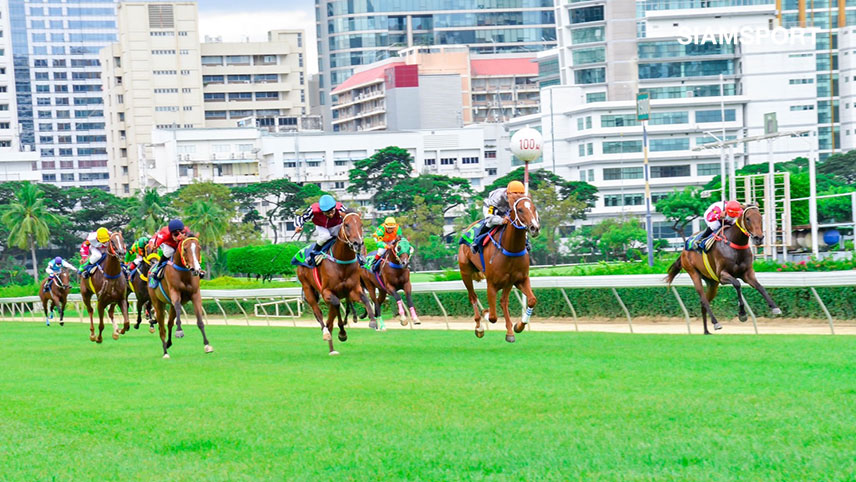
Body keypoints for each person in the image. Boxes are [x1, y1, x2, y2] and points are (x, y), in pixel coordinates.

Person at [472, 180, 526, 254]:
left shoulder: (522, 199)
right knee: (490, 223)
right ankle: (477, 241)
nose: (518, 196)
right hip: (492, 208)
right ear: (508, 193)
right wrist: (501, 220)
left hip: (506, 210)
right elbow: (489, 217)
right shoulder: (497, 196)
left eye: (521, 193)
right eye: (515, 193)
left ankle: (526, 241)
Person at [295, 194, 348, 265]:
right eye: (327, 213)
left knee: (347, 236)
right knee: (325, 236)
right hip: (322, 226)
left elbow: (351, 216)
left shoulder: (340, 208)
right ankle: (313, 253)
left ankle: (359, 256)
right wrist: (298, 225)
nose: (331, 215)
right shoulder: (314, 210)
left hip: (337, 225)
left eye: (332, 211)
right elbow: (301, 217)